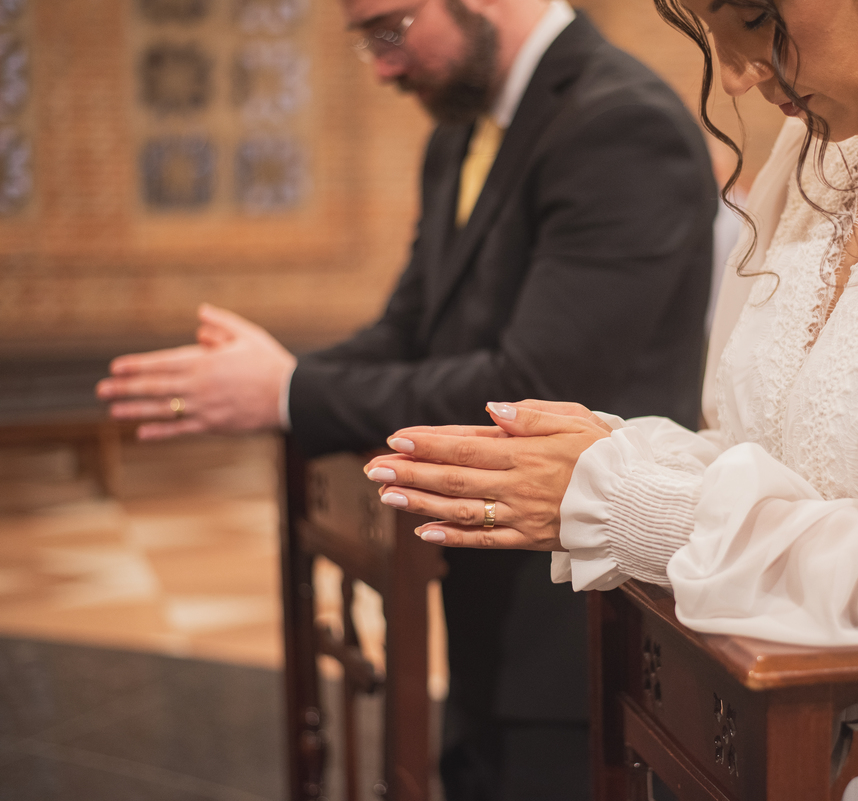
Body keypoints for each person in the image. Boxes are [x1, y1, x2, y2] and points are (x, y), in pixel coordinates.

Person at [361, 0, 858, 797]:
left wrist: (628, 502)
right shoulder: (823, 154)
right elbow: (758, 452)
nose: (738, 75)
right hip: (769, 731)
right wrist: (607, 451)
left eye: (748, 18)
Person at [96, 0, 718, 797]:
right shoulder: (461, 131)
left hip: (572, 617)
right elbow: (410, 328)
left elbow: (531, 386)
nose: (383, 66)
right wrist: (269, 378)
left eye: (389, 28)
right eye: (367, 43)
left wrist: (289, 391)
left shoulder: (621, 124)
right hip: (477, 589)